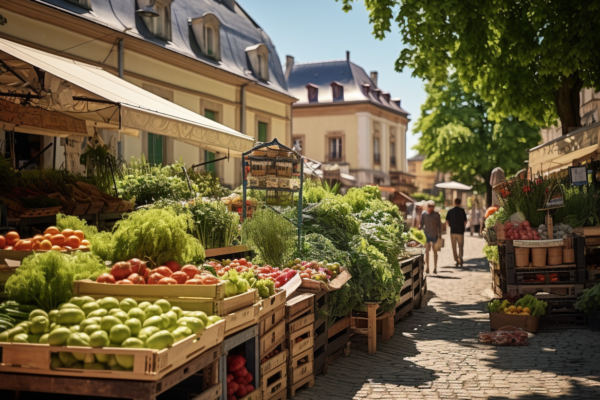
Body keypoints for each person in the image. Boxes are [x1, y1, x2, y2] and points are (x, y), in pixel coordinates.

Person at [420, 200, 442, 274]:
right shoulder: (424, 214)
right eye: (429, 207)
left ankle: (435, 268)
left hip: (435, 235)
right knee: (427, 252)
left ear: (433, 207)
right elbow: (421, 225)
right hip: (426, 235)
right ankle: (427, 267)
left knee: (435, 252)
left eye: (432, 207)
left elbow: (439, 226)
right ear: (427, 207)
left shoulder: (436, 215)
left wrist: (440, 236)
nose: (430, 208)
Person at [446, 198, 467, 266]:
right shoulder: (462, 211)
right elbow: (465, 221)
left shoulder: (450, 211)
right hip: (460, 231)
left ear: (454, 203)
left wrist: (450, 225)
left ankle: (456, 259)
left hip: (453, 231)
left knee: (454, 247)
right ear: (460, 203)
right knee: (460, 246)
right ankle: (460, 258)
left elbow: (447, 221)